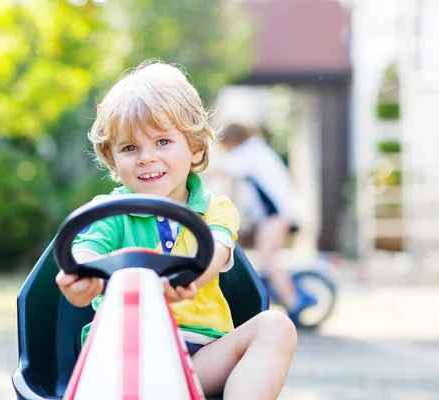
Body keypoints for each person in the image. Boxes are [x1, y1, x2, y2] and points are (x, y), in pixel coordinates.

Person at [56, 59, 297, 400]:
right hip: (124, 359)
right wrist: (80, 274)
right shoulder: (110, 213)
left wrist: (189, 277)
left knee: (277, 326)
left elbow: (214, 251)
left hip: (199, 363)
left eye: (163, 142)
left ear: (195, 146)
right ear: (112, 157)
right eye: (129, 148)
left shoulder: (215, 209)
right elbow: (85, 248)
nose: (146, 157)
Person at [219, 122, 316, 323]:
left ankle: (294, 302)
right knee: (269, 258)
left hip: (277, 215)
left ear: (232, 141)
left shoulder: (249, 153)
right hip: (279, 213)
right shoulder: (257, 151)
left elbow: (223, 169)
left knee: (269, 258)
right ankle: (290, 295)